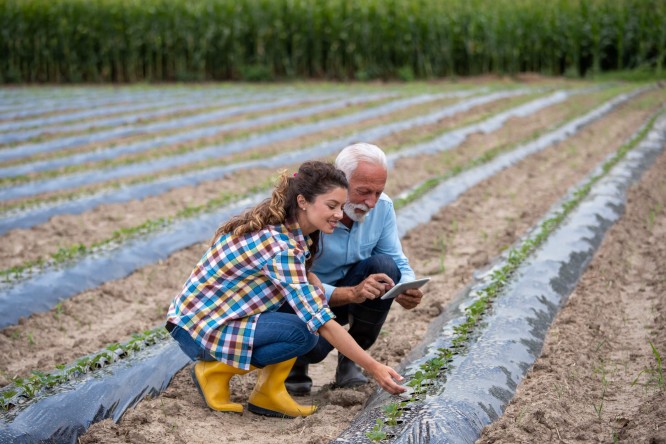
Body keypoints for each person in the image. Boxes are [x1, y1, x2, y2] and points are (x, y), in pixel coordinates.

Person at [165, 161, 406, 419]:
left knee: (303, 319)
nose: (339, 214)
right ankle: (213, 373)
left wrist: (312, 280)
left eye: (341, 206)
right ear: (303, 202)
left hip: (212, 320)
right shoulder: (280, 246)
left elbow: (302, 287)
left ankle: (269, 392)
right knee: (302, 333)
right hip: (198, 332)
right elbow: (319, 318)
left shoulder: (292, 233)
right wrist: (373, 367)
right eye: (331, 206)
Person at [284, 143, 424, 396]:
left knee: (384, 267)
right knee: (311, 349)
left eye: (378, 193)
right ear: (339, 181)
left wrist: (408, 286)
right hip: (305, 299)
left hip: (348, 294)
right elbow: (294, 279)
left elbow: (395, 257)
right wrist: (350, 293)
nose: (370, 202)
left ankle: (351, 361)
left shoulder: (382, 208)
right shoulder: (309, 213)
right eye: (362, 192)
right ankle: (294, 365)